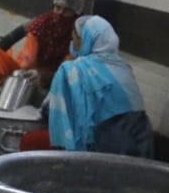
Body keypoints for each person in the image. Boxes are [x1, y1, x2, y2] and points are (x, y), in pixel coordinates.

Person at [47, 15, 154, 158]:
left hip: (105, 144)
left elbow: (50, 110)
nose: (71, 42)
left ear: (86, 40)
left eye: (74, 38)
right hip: (141, 141)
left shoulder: (72, 70)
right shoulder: (123, 66)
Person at [0, 0, 83, 88]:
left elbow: (66, 71)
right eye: (57, 8)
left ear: (76, 14)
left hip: (54, 82)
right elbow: (28, 60)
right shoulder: (41, 25)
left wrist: (44, 76)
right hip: (24, 74)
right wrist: (22, 75)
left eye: (66, 10)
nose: (60, 13)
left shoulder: (78, 35)